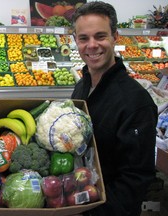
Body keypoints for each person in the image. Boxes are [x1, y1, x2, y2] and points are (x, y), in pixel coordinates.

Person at [71, 1, 158, 216]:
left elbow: (135, 180)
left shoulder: (136, 102)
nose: (92, 45)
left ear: (115, 37)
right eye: (83, 38)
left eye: (100, 36)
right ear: (75, 41)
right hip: (79, 199)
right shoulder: (82, 85)